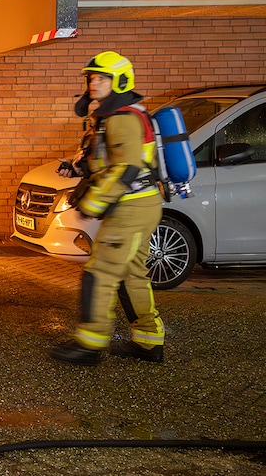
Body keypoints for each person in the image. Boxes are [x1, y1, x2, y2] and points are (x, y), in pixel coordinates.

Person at [51, 51, 166, 366]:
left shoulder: (123, 118)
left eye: (102, 77)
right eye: (91, 77)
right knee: (131, 275)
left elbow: (126, 168)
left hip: (131, 209)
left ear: (120, 81)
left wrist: (92, 203)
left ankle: (90, 344)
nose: (93, 83)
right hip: (139, 206)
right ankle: (148, 341)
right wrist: (73, 169)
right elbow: (103, 161)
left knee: (100, 272)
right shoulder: (109, 116)